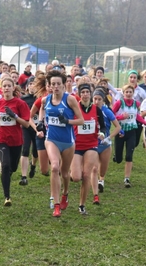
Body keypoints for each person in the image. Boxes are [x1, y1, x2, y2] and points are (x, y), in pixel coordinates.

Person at [39, 70, 84, 217]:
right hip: (51, 139)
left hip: (68, 142)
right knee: (54, 168)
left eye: (59, 84)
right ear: (49, 86)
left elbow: (81, 120)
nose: (56, 86)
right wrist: (40, 122)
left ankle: (65, 194)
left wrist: (67, 121)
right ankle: (56, 205)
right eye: (53, 84)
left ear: (64, 85)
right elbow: (41, 110)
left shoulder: (70, 100)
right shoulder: (46, 100)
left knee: (65, 174)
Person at [70, 83, 106, 214]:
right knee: (75, 177)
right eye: (83, 92)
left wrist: (102, 133)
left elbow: (103, 126)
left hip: (91, 145)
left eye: (87, 92)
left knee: (86, 175)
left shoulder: (97, 109)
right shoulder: (74, 108)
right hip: (76, 145)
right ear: (79, 94)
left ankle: (82, 205)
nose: (85, 94)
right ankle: (70, 175)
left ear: (91, 94)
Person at [0, 77, 30, 206]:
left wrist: (14, 116)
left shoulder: (20, 104)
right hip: (1, 139)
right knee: (6, 165)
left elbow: (26, 124)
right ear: (1, 88)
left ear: (13, 87)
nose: (7, 88)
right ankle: (7, 197)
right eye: (4, 86)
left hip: (16, 140)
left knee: (13, 167)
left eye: (9, 86)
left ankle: (6, 173)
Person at [112, 84, 146, 187]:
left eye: (130, 92)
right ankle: (117, 156)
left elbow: (137, 115)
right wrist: (120, 117)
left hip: (131, 132)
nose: (128, 94)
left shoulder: (136, 103)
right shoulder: (119, 103)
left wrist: (145, 123)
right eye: (126, 92)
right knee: (119, 159)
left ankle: (127, 179)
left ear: (133, 93)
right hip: (120, 132)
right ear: (123, 94)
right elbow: (111, 115)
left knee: (129, 156)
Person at [91, 87, 121, 193]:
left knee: (102, 169)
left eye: (99, 99)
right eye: (95, 99)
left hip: (105, 145)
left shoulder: (107, 111)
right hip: (92, 144)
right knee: (94, 168)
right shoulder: (89, 110)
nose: (97, 101)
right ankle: (95, 192)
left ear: (103, 100)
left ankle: (101, 181)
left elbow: (118, 127)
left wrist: (109, 137)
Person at [20, 76, 38, 182]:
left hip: (37, 128)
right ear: (27, 86)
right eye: (30, 84)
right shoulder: (23, 99)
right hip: (26, 127)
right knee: (25, 149)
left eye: (34, 84)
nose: (32, 86)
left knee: (35, 151)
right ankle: (23, 176)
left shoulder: (41, 99)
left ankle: (33, 165)